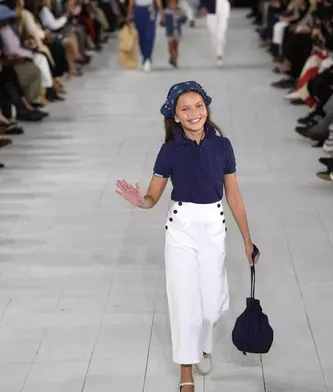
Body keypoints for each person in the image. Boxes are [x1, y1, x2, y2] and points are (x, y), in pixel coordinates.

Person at [115, 81, 259, 392]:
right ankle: (185, 370)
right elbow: (153, 196)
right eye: (186, 109)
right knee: (183, 302)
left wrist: (247, 240)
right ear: (176, 117)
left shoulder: (223, 146)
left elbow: (233, 196)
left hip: (213, 226)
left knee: (212, 306)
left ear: (206, 108)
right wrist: (141, 202)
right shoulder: (169, 151)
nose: (194, 113)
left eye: (199, 106)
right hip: (180, 229)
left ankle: (203, 343)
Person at [128, 0, 163, 72]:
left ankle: (147, 59)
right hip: (138, 10)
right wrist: (129, 12)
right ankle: (145, 55)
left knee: (150, 35)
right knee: (141, 36)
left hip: (150, 10)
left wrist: (161, 12)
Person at [201, 0, 231, 67]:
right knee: (213, 32)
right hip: (211, 6)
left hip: (223, 4)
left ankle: (219, 55)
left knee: (222, 31)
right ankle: (217, 52)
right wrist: (203, 6)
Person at [164, 0, 188, 68]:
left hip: (177, 31)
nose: (173, 5)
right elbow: (163, 21)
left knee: (176, 46)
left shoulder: (179, 11)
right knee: (170, 46)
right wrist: (163, 22)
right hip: (169, 32)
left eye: (174, 3)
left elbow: (184, 19)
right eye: (171, 3)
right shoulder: (166, 12)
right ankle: (172, 56)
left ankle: (175, 60)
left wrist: (181, 18)